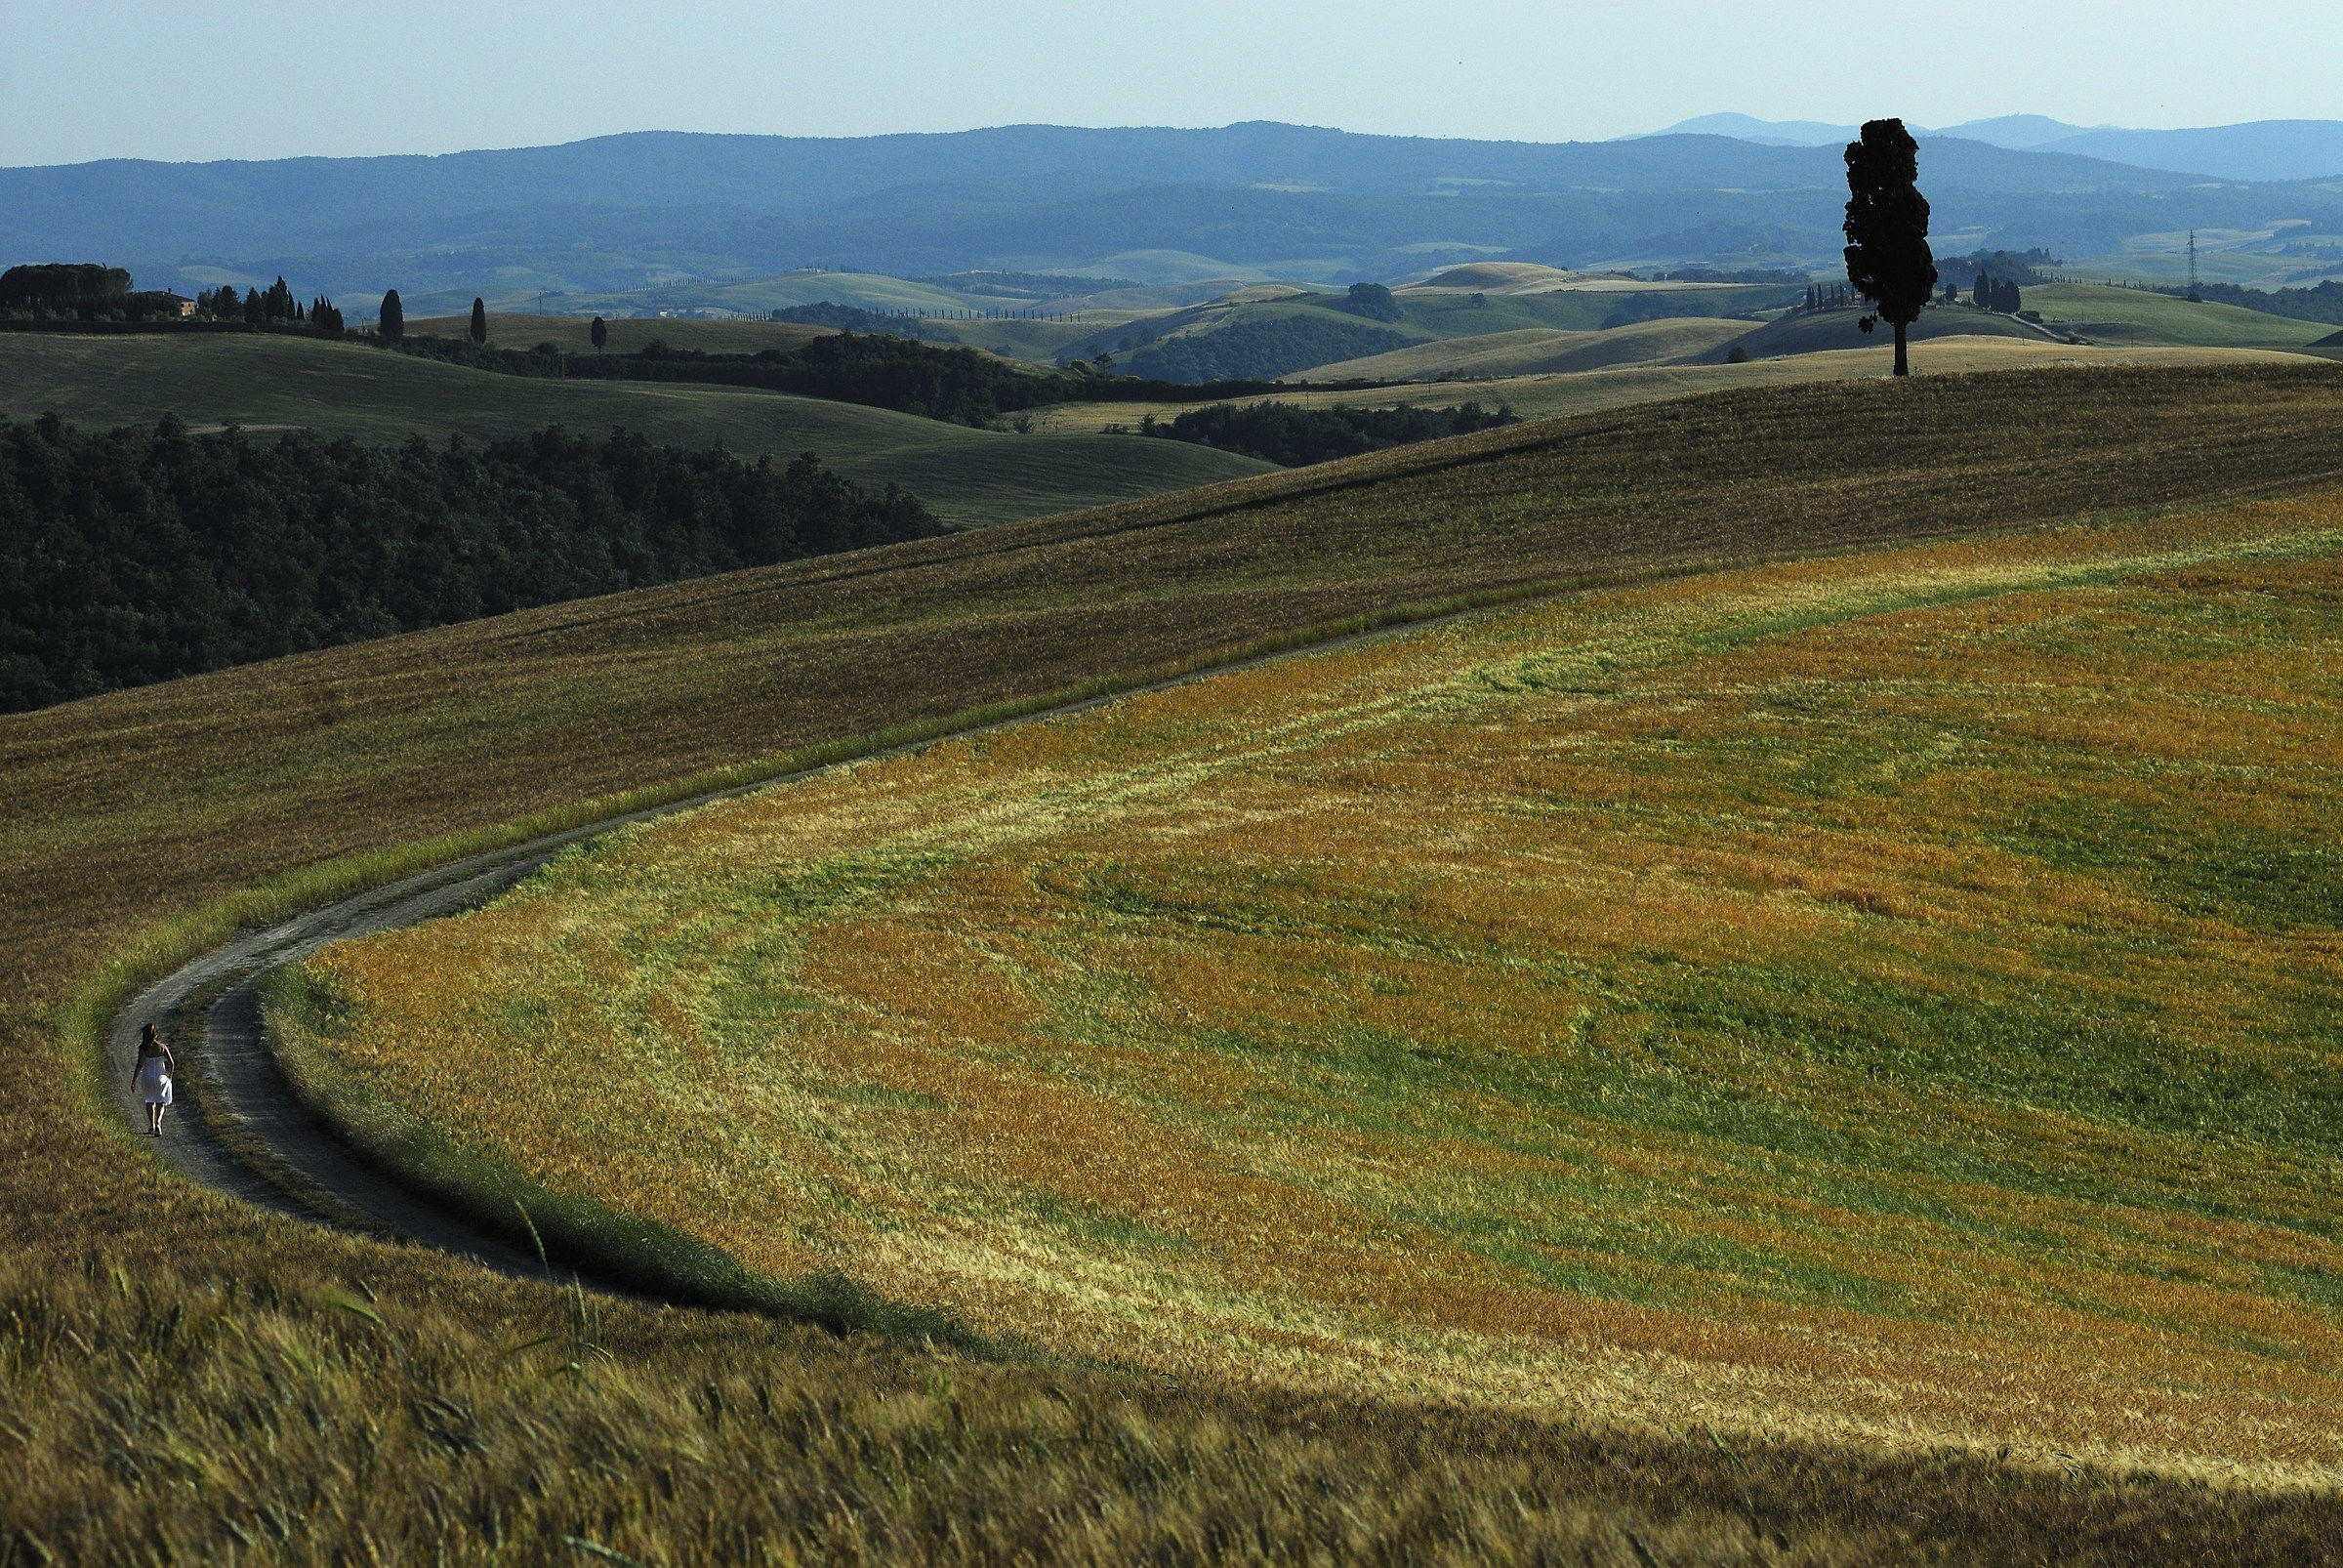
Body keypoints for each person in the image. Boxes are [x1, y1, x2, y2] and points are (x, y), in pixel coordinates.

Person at [133, 1022, 175, 1135]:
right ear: (155, 1034)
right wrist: (169, 1077)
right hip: (161, 1078)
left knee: (149, 1101)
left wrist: (133, 1081)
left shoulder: (142, 1049)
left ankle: (151, 1125)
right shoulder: (162, 1047)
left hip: (147, 1078)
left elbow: (139, 1065)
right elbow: (171, 1063)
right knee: (161, 1102)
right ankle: (158, 1122)